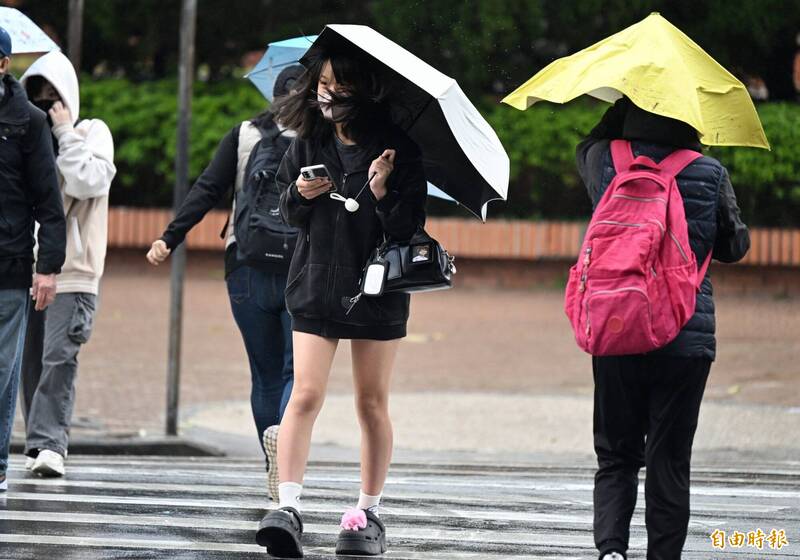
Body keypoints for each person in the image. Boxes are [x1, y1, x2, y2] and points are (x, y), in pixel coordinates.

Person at [255, 51, 426, 558]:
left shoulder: (398, 149)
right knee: (304, 394)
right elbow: (288, 211)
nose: (328, 95)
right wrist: (301, 193)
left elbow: (408, 229)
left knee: (370, 402)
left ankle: (367, 512)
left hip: (377, 291)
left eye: (340, 86)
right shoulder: (309, 141)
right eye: (323, 84)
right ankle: (287, 507)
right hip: (315, 286)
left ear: (365, 90)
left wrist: (382, 188)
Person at [576, 97, 750, 560]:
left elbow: (587, 144)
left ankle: (611, 550)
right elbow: (734, 246)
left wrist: (619, 109)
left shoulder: (604, 159)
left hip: (616, 325)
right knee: (669, 459)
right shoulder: (708, 171)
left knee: (616, 453)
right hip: (685, 332)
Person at [146, 65, 304, 498]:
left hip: (245, 267)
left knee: (264, 376)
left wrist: (169, 238)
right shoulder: (323, 140)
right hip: (302, 269)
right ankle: (287, 459)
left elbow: (207, 189)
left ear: (274, 96)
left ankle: (272, 464)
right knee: (297, 373)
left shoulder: (244, 135)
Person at [16, 50, 116, 477]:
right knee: (28, 361)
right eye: (36, 96)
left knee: (59, 358)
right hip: (26, 264)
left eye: (52, 96)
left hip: (74, 271)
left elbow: (88, 181)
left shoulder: (92, 132)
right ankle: (36, 442)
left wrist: (63, 131)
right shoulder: (25, 136)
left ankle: (50, 443)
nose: (45, 104)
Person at [0, 27, 66, 492]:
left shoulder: (28, 121)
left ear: (4, 64)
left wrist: (48, 269)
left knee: (2, 370)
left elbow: (49, 202)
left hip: (8, 263)